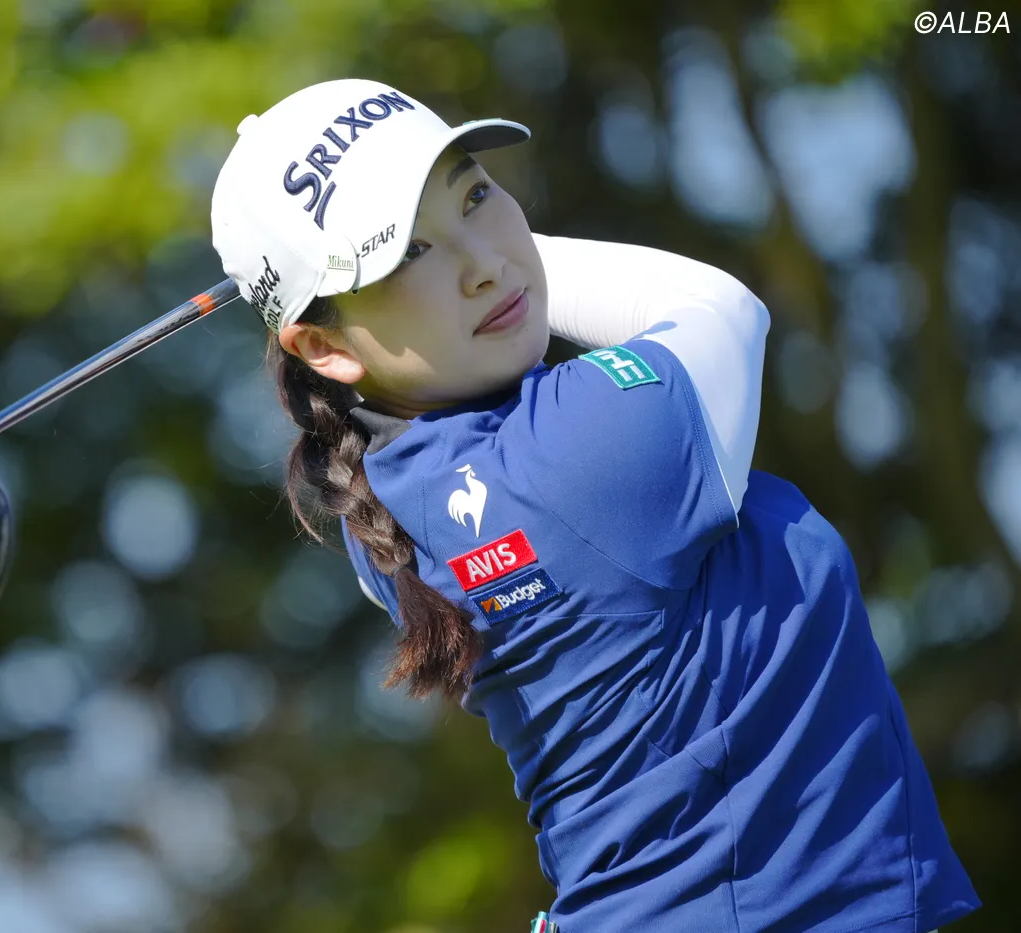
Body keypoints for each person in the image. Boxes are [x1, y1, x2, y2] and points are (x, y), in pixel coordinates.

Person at [209, 78, 980, 932]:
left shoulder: (382, 499)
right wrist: (514, 253)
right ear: (323, 346)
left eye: (475, 194)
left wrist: (427, 264)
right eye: (411, 253)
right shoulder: (582, 447)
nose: (482, 264)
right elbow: (721, 308)